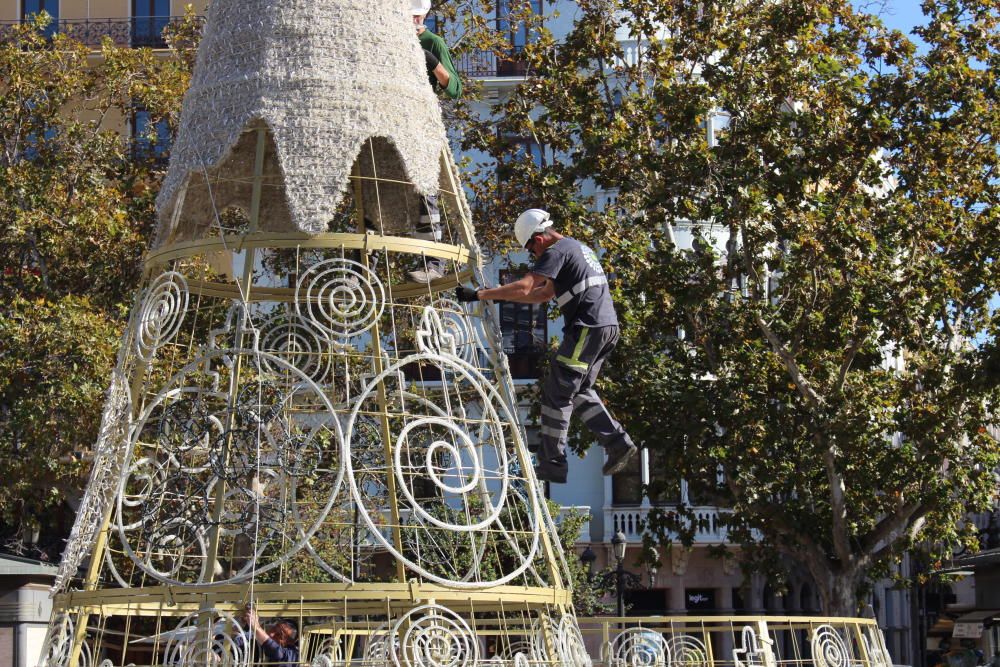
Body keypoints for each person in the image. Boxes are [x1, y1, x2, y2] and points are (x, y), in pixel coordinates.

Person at [456, 209, 637, 483]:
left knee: (557, 392)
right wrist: (497, 298)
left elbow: (526, 287)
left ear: (538, 239)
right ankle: (618, 443)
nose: (533, 255)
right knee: (578, 389)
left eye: (530, 248)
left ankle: (553, 463)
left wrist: (480, 294)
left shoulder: (556, 251)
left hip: (586, 328)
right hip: (605, 328)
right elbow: (542, 295)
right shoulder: (576, 248)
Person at [407, 0, 463, 284]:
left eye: (416, 14)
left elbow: (455, 88)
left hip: (421, 125)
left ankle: (433, 263)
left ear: (425, 14)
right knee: (372, 191)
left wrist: (434, 64)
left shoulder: (432, 41)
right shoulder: (388, 40)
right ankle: (359, 271)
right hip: (392, 121)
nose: (412, 19)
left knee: (426, 190)